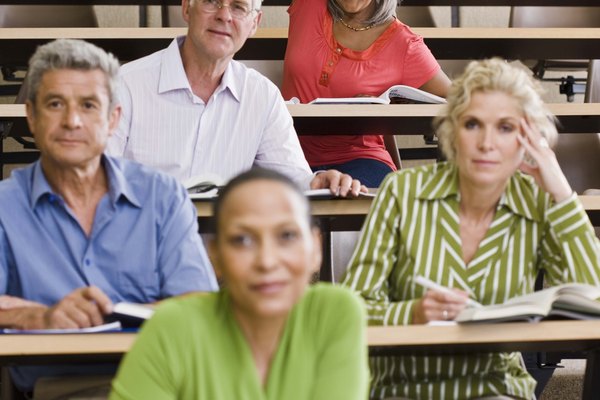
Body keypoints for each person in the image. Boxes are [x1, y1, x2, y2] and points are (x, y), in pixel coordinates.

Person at [342, 58, 600, 399]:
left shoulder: (537, 202)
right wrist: (413, 312)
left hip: (495, 385)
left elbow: (592, 299)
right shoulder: (402, 191)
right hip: (401, 384)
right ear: (452, 130)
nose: (487, 143)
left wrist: (562, 194)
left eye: (505, 128)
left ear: (528, 137)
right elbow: (352, 310)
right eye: (473, 124)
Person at [0, 39, 218, 397]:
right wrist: (43, 317)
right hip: (54, 388)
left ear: (112, 118)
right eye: (55, 104)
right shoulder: (5, 205)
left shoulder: (162, 196)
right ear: (31, 116)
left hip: (159, 381)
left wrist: (119, 312)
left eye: (88, 106)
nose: (72, 121)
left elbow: (200, 302)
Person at [110, 168, 369, 400]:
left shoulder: (335, 313)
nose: (266, 261)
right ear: (216, 256)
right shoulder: (171, 327)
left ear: (316, 248)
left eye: (287, 236)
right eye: (242, 240)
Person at [106, 0, 363, 196]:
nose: (224, 15)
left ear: (255, 23)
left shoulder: (262, 96)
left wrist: (319, 182)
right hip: (141, 246)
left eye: (239, 7)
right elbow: (97, 180)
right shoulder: (123, 85)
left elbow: (291, 179)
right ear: (187, 8)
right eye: (211, 1)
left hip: (224, 253)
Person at [281, 0, 451, 188]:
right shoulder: (308, 5)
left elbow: (453, 99)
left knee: (354, 198)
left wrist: (389, 104)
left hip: (360, 159)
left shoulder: (405, 44)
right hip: (285, 154)